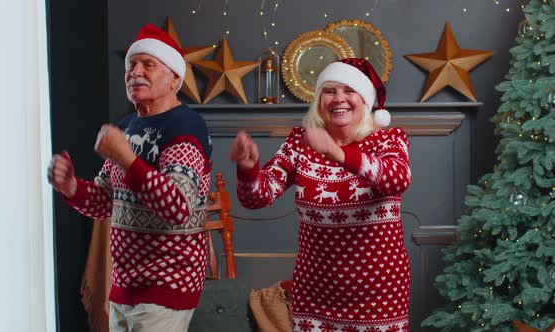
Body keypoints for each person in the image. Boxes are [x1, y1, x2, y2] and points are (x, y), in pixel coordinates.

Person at [48, 24, 212, 332]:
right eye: (131, 65)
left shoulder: (186, 128)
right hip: (124, 285)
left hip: (167, 285)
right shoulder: (126, 127)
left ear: (174, 78)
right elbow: (106, 202)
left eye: (148, 64)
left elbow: (177, 209)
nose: (135, 71)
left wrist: (124, 157)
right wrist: (71, 186)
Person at [230, 58, 411, 332]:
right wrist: (247, 168)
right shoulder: (300, 141)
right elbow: (258, 196)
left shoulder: (388, 139)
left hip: (379, 294)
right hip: (315, 294)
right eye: (330, 91)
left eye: (349, 90)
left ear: (365, 99)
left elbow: (397, 178)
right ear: (319, 100)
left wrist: (337, 153)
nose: (339, 98)